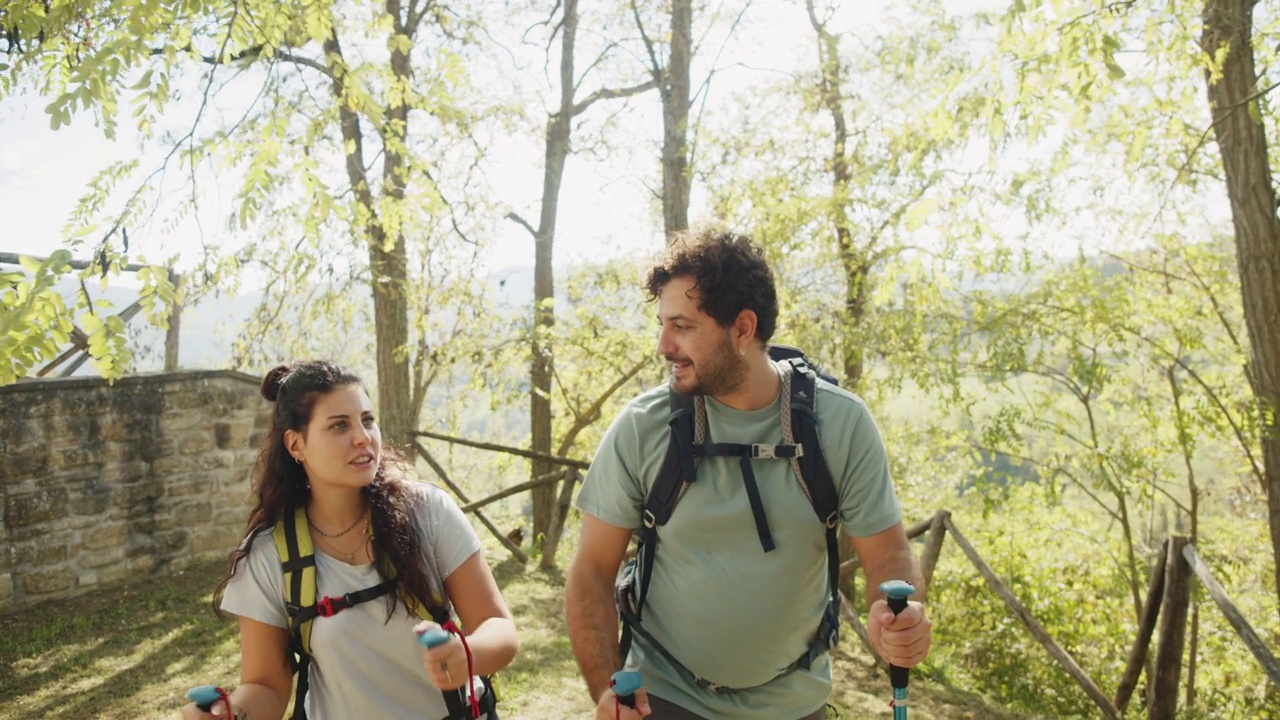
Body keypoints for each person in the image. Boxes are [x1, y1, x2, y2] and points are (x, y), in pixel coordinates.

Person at [564, 229, 932, 720]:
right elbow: (590, 571)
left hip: (795, 704)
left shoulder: (839, 424)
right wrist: (608, 690)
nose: (663, 346)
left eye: (682, 326)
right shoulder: (642, 427)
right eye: (662, 324)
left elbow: (888, 555)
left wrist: (896, 615)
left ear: (742, 329)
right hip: (665, 697)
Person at [180, 360, 518, 720]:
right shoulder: (268, 555)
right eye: (340, 425)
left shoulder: (427, 511)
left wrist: (467, 653)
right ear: (296, 444)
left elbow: (499, 630)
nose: (363, 436)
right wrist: (231, 713)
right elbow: (266, 687)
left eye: (368, 420)